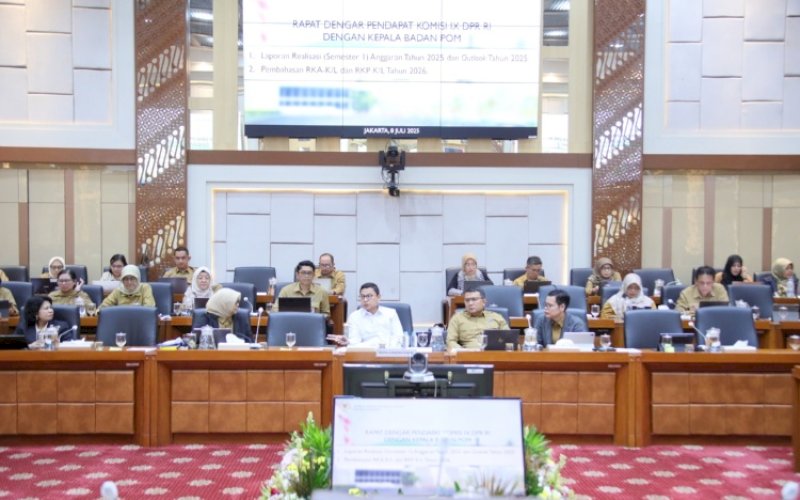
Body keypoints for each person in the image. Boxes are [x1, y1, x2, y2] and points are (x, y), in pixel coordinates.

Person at [328, 283, 403, 347]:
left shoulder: (390, 313)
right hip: (364, 356)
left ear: (379, 297)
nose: (365, 300)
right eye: (363, 296)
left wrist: (388, 351)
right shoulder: (354, 316)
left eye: (369, 296)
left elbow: (398, 337)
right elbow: (355, 341)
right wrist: (349, 342)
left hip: (388, 354)